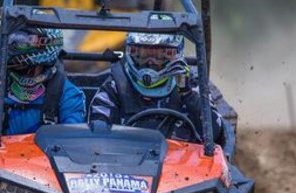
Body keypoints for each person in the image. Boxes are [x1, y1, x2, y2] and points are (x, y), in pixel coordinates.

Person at [89, 32, 224, 142]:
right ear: (131, 52)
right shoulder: (115, 86)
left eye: (159, 55)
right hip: (127, 161)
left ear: (174, 56)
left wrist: (187, 94)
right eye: (143, 55)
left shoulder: (191, 85)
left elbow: (215, 132)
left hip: (181, 165)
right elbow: (97, 134)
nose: (150, 63)